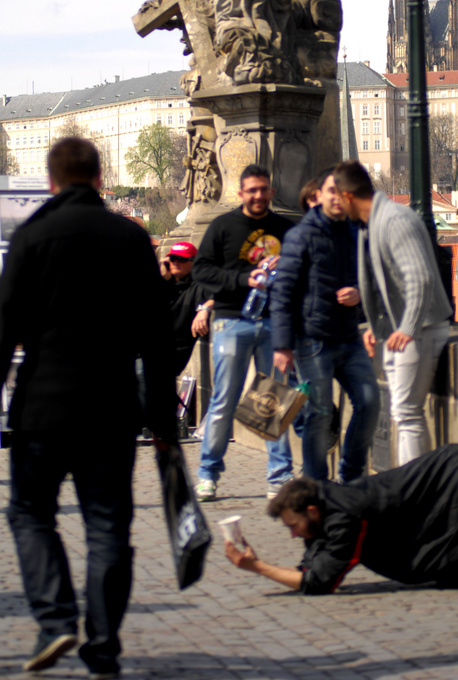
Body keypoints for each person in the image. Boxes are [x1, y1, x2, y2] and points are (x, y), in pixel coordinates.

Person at [0, 138, 177, 677]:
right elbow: (157, 339)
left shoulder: (31, 237)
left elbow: (4, 332)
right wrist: (165, 423)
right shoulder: (130, 238)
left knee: (31, 515)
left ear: (52, 182)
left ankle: (56, 620)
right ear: (100, 179)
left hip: (42, 407)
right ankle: (102, 643)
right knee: (107, 528)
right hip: (111, 406)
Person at [224, 443, 458, 594]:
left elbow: (321, 580)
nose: (292, 534)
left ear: (312, 511)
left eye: (293, 525)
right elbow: (313, 561)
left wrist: (259, 568)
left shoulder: (345, 516)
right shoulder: (324, 506)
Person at [332, 160, 452, 466]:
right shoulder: (370, 225)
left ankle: (414, 489)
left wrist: (408, 327)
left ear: (347, 196)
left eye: (335, 194)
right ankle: (410, 485)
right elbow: (387, 285)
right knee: (402, 412)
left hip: (421, 329)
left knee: (407, 413)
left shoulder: (394, 220)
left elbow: (420, 278)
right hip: (400, 330)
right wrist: (378, 325)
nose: (331, 202)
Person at [191, 164, 295, 501]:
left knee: (274, 398)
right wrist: (242, 280)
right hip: (232, 320)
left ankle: (279, 476)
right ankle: (208, 473)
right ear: (241, 193)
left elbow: (301, 269)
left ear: (271, 192)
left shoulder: (284, 228)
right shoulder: (223, 226)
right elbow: (202, 270)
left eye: (263, 189)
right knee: (224, 399)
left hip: (273, 323)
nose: (258, 195)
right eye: (252, 190)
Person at [271, 170, 379, 483]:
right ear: (320, 195)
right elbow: (283, 291)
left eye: (340, 192)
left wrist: (359, 293)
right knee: (319, 416)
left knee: (370, 402)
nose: (335, 197)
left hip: (349, 337)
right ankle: (317, 487)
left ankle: (350, 476)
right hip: (312, 341)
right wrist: (282, 345)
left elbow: (370, 276)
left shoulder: (356, 232)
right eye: (330, 191)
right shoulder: (301, 235)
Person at [159, 241, 214, 374]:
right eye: (172, 259)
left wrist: (205, 308)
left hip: (170, 357)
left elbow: (222, 293)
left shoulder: (198, 286)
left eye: (182, 259)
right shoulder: (163, 283)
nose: (176, 263)